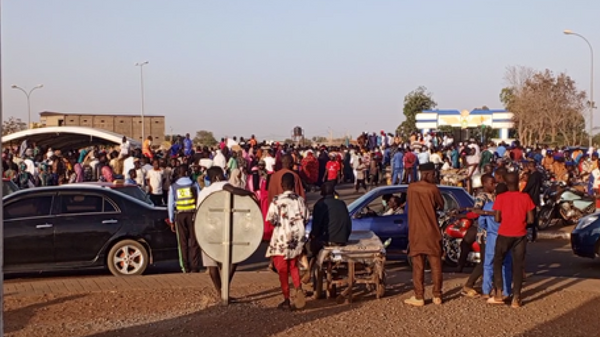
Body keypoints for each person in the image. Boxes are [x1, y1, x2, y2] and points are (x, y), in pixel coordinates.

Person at [197, 167, 257, 300]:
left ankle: (221, 293)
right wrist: (249, 193)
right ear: (217, 177)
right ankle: (225, 287)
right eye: (222, 175)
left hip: (205, 229)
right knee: (234, 257)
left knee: (212, 265)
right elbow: (233, 190)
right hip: (222, 229)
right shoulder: (221, 185)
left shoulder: (203, 192)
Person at [488, 172, 535, 308]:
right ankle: (516, 298)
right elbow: (531, 219)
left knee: (497, 261)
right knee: (518, 265)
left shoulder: (501, 197)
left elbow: (497, 218)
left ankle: (498, 292)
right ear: (518, 183)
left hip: (504, 234)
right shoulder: (525, 197)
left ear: (506, 183)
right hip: (520, 234)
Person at [265, 173, 308, 311]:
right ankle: (298, 288)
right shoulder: (300, 200)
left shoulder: (277, 200)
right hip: (296, 239)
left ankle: (286, 299)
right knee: (294, 266)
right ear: (294, 185)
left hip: (281, 239)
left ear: (282, 185)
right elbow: (306, 217)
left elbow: (271, 220)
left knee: (282, 270)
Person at [404, 162, 444, 307]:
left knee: (418, 265)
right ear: (427, 174)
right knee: (436, 264)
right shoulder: (433, 189)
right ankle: (437, 295)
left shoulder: (411, 188)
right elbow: (441, 205)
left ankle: (419, 296)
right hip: (432, 231)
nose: (435, 177)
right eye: (433, 174)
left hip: (416, 232)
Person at [168, 165, 202, 273]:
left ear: (178, 173)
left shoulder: (173, 186)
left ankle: (185, 267)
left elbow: (170, 204)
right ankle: (195, 266)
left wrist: (171, 220)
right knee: (194, 241)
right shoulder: (194, 184)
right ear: (187, 172)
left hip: (180, 216)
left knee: (182, 242)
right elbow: (200, 199)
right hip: (193, 215)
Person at [522, 161, 543, 242]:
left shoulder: (533, 176)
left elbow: (528, 187)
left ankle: (530, 236)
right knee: (533, 217)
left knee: (530, 218)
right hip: (536, 198)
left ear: (530, 166)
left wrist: (522, 193)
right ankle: (533, 236)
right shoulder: (539, 174)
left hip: (531, 198)